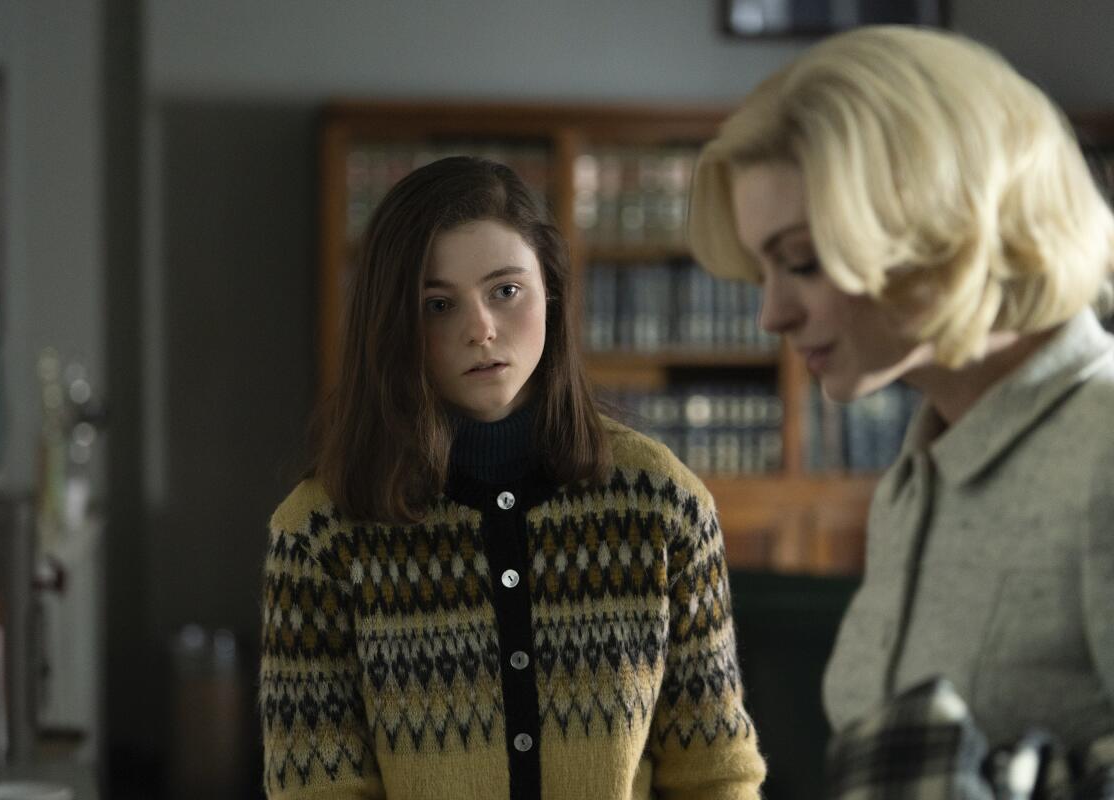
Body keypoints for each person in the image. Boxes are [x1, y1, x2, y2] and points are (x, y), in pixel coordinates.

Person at [259, 155, 766, 800]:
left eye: (505, 291)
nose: (480, 329)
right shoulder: (319, 534)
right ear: (393, 325)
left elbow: (715, 774)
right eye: (437, 305)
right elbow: (317, 790)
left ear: (550, 288)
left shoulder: (663, 502)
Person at [686, 24, 1114, 753]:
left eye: (804, 261)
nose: (772, 315)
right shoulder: (912, 484)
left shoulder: (1100, 453)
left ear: (943, 227)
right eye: (763, 272)